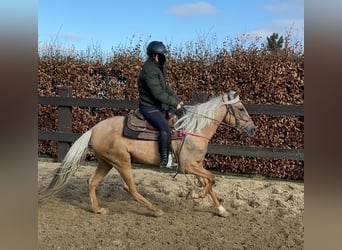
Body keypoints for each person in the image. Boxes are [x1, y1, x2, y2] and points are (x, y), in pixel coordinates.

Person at [137, 41, 184, 168]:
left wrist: (177, 101)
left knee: (181, 114)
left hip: (157, 105)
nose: (165, 58)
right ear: (155, 56)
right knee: (165, 128)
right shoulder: (149, 71)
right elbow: (158, 93)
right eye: (162, 55)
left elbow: (165, 88)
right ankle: (164, 159)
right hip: (148, 107)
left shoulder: (158, 68)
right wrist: (174, 102)